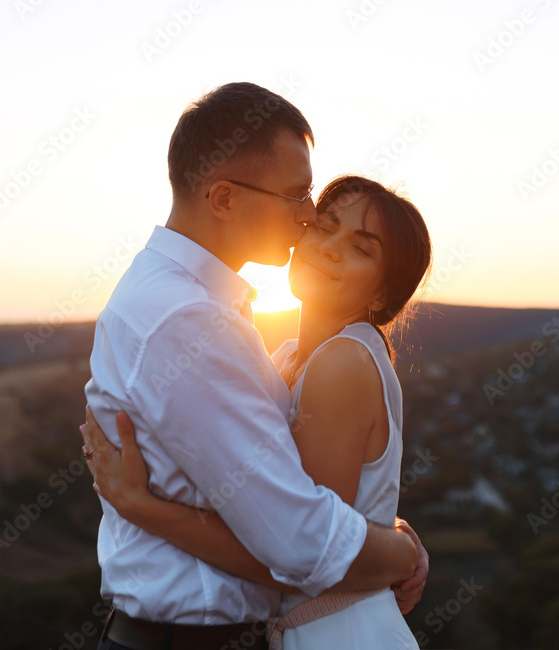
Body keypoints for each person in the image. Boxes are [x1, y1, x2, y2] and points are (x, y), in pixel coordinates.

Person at [79, 82, 428, 650]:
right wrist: (399, 552)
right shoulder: (189, 319)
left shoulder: (200, 307)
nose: (308, 217)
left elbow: (308, 513)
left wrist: (390, 539)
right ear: (223, 199)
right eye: (298, 196)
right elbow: (296, 540)